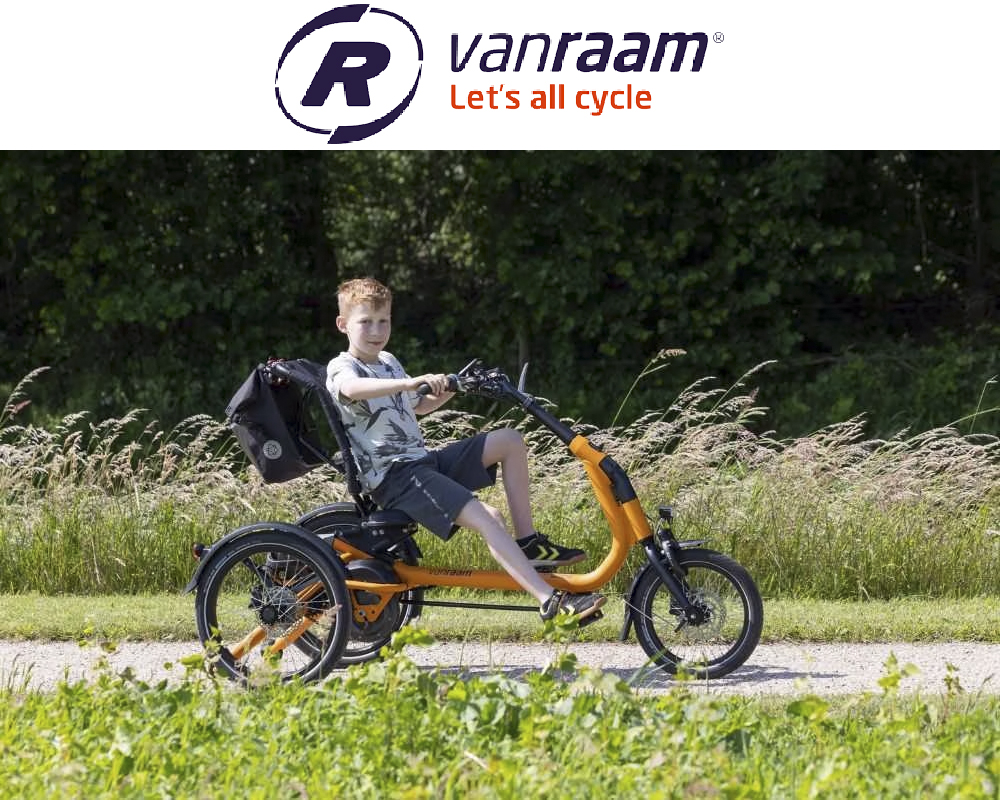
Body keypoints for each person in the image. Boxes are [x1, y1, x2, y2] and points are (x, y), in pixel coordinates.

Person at [326, 277, 606, 622]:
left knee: (510, 441)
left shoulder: (388, 361)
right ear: (343, 324)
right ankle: (549, 600)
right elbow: (352, 389)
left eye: (383, 321)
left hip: (422, 463)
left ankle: (529, 543)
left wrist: (450, 387)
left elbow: (418, 406)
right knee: (490, 518)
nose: (376, 330)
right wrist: (409, 381)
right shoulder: (343, 366)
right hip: (396, 478)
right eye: (365, 322)